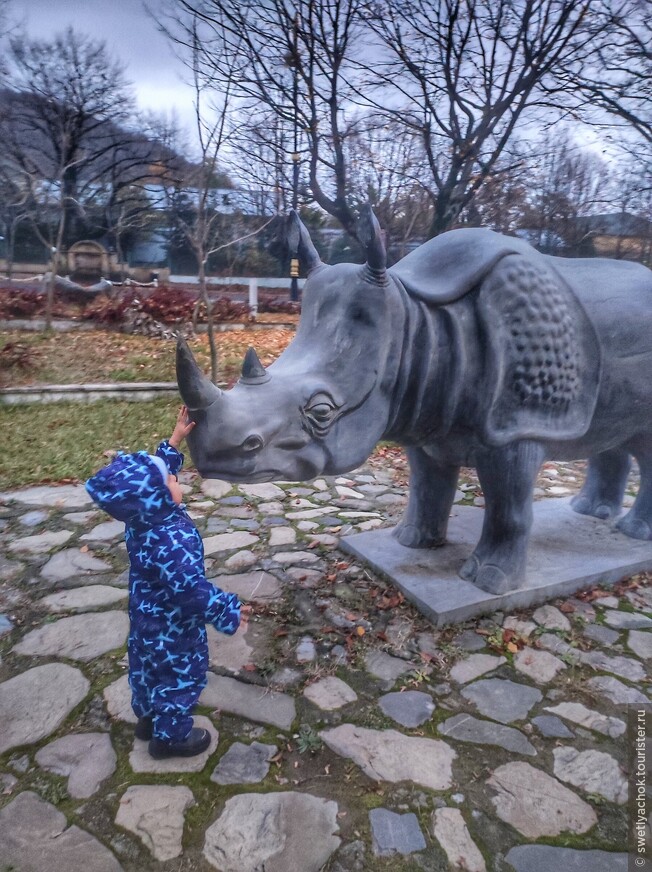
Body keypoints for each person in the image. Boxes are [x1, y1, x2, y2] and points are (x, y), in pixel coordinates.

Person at [86, 406, 243, 759]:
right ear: (157, 497)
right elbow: (189, 591)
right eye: (172, 481)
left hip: (146, 620)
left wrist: (173, 442)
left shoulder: (141, 520)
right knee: (180, 676)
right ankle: (169, 738)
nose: (177, 480)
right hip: (175, 627)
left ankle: (148, 719)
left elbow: (150, 481)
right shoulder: (170, 538)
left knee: (146, 669)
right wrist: (225, 610)